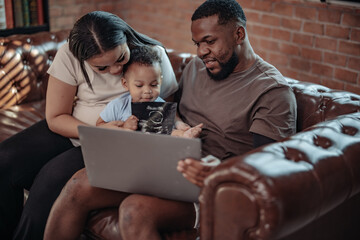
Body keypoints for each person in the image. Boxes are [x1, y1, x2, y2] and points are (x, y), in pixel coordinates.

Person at [44, 0, 297, 239]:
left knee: (135, 211)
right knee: (78, 185)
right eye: (197, 43)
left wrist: (219, 172)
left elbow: (269, 168)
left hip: (213, 185)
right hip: (163, 165)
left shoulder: (271, 91)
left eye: (209, 42)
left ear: (239, 35)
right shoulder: (198, 68)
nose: (201, 52)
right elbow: (166, 110)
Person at [0, 11, 179, 240]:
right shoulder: (69, 54)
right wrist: (97, 130)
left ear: (125, 38)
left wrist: (122, 135)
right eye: (101, 68)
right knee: (4, 159)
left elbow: (163, 110)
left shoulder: (153, 55)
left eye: (120, 59)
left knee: (49, 182)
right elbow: (56, 117)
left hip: (118, 141)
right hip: (75, 127)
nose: (114, 71)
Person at [96, 44, 202, 137]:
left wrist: (183, 130)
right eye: (139, 85)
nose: (147, 91)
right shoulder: (118, 105)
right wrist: (123, 127)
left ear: (160, 81)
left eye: (154, 84)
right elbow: (99, 125)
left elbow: (168, 131)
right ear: (125, 84)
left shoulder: (160, 105)